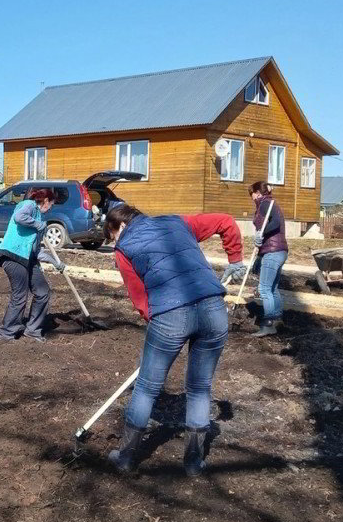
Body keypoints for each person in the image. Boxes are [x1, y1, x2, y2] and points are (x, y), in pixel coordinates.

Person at [105, 202, 229, 476]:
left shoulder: (123, 249)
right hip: (214, 309)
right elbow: (224, 221)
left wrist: (156, 321)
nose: (114, 239)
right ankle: (194, 463)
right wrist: (236, 259)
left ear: (121, 225)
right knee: (199, 388)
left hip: (171, 314)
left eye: (112, 233)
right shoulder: (177, 221)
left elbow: (139, 298)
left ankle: (126, 457)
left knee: (147, 387)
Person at [0, 188, 66, 342]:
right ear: (46, 201)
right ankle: (6, 333)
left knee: (42, 291)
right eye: (51, 205)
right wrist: (37, 224)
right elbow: (19, 217)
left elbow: (37, 252)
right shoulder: (28, 205)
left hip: (28, 258)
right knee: (20, 295)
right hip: (12, 255)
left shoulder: (39, 219)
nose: (50, 208)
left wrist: (56, 263)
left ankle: (33, 330)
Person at [249, 181, 287, 337]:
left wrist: (261, 234)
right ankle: (277, 318)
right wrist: (258, 257)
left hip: (273, 251)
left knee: (264, 289)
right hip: (278, 250)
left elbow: (275, 223)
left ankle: (269, 323)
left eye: (251, 194)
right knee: (272, 288)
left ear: (257, 192)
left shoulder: (265, 203)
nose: (251, 197)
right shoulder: (268, 203)